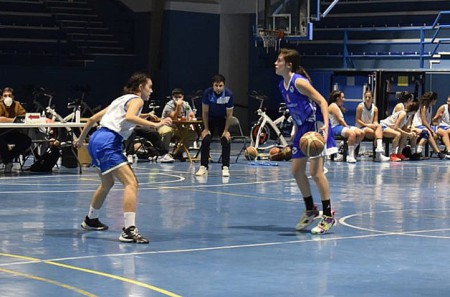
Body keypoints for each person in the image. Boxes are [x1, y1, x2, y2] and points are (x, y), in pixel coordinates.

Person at [74, 72, 172, 244]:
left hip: (96, 139)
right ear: (141, 87)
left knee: (107, 183)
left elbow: (92, 119)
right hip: (108, 141)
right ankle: (128, 230)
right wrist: (156, 124)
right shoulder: (137, 100)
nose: (151, 90)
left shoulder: (119, 100)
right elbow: (129, 117)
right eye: (149, 87)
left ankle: (91, 219)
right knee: (131, 183)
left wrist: (81, 140)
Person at [275, 48, 337, 234]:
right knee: (296, 171)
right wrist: (295, 130)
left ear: (289, 64)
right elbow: (296, 110)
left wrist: (325, 125)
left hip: (316, 126)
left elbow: (322, 102)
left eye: (279, 60)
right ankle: (310, 209)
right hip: (302, 128)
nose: (275, 63)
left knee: (316, 172)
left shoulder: (298, 81)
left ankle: (328, 216)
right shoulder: (282, 86)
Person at [196, 74, 233, 177]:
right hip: (210, 119)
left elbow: (229, 115)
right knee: (206, 139)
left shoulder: (229, 94)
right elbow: (204, 112)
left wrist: (226, 130)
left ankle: (225, 167)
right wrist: (206, 128)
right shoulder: (207, 93)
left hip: (223, 119)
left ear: (224, 85)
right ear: (213, 85)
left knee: (226, 140)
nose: (218, 88)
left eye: (220, 86)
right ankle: (203, 166)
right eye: (216, 85)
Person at [159, 88, 197, 162]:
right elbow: (174, 116)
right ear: (172, 97)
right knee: (167, 131)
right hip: (167, 125)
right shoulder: (169, 105)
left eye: (179, 97)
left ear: (183, 97)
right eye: (175, 97)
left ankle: (179, 152)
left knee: (193, 135)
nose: (177, 99)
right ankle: (164, 153)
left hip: (179, 128)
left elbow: (191, 114)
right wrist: (178, 106)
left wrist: (191, 116)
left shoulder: (186, 104)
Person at [0, 87, 32, 173]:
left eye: (9, 95)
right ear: (2, 97)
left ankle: (8, 159)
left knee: (27, 141)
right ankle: (7, 162)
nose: (7, 97)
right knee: (1, 142)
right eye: (5, 95)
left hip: (13, 132)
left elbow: (24, 117)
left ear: (13, 97)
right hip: (1, 133)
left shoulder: (17, 105)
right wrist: (12, 120)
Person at [328, 90, 365, 163]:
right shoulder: (333, 106)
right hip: (334, 128)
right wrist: (347, 127)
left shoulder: (338, 106)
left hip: (340, 126)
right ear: (338, 98)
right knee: (352, 133)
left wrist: (347, 127)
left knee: (361, 133)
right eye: (342, 97)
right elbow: (340, 120)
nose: (344, 99)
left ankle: (345, 149)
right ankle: (350, 156)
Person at [355, 89, 390, 162]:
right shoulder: (360, 107)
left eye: (369, 97)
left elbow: (375, 121)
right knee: (379, 134)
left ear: (372, 98)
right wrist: (368, 125)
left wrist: (375, 125)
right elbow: (358, 120)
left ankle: (379, 149)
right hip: (361, 128)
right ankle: (379, 154)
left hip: (371, 127)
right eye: (366, 97)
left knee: (379, 127)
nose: (367, 99)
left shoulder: (375, 109)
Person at [411, 91, 444, 159]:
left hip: (425, 126)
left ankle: (420, 151)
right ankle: (438, 152)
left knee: (436, 131)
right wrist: (432, 131)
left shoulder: (430, 107)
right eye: (436, 99)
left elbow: (428, 121)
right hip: (418, 125)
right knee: (428, 132)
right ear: (433, 99)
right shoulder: (424, 107)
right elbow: (424, 121)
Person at [431, 94, 450, 158]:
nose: (448, 103)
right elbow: (433, 120)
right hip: (441, 127)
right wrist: (438, 116)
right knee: (445, 132)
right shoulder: (443, 107)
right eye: (448, 101)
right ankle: (449, 150)